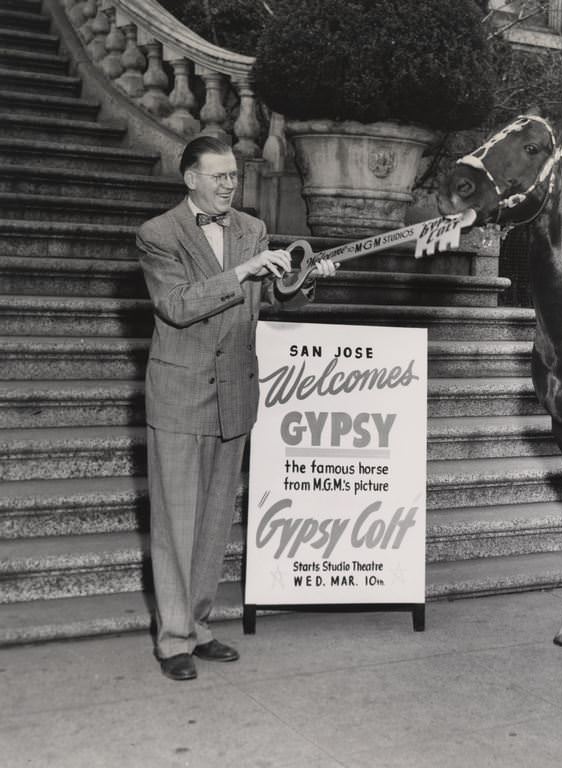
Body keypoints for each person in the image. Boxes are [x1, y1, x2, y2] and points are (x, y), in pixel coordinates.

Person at [136, 136, 337, 681]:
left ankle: (198, 626)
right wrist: (242, 274)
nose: (230, 184)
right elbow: (176, 305)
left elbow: (277, 297)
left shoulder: (252, 229)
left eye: (233, 176)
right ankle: (172, 638)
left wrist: (302, 281)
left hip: (234, 393)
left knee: (214, 520)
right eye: (219, 175)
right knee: (176, 521)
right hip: (180, 394)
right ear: (190, 179)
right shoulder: (158, 234)